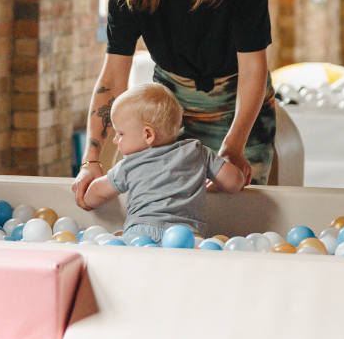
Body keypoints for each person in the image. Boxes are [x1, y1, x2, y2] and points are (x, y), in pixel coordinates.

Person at [73, 0, 275, 210]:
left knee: (239, 209)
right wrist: (90, 159)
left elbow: (254, 68)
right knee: (169, 203)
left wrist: (234, 146)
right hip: (169, 106)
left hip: (238, 100)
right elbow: (112, 78)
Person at [82, 84, 244, 243]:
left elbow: (97, 193)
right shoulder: (197, 151)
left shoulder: (130, 164)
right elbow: (234, 182)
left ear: (148, 134)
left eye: (120, 133)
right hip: (187, 239)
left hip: (140, 236)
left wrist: (86, 199)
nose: (116, 140)